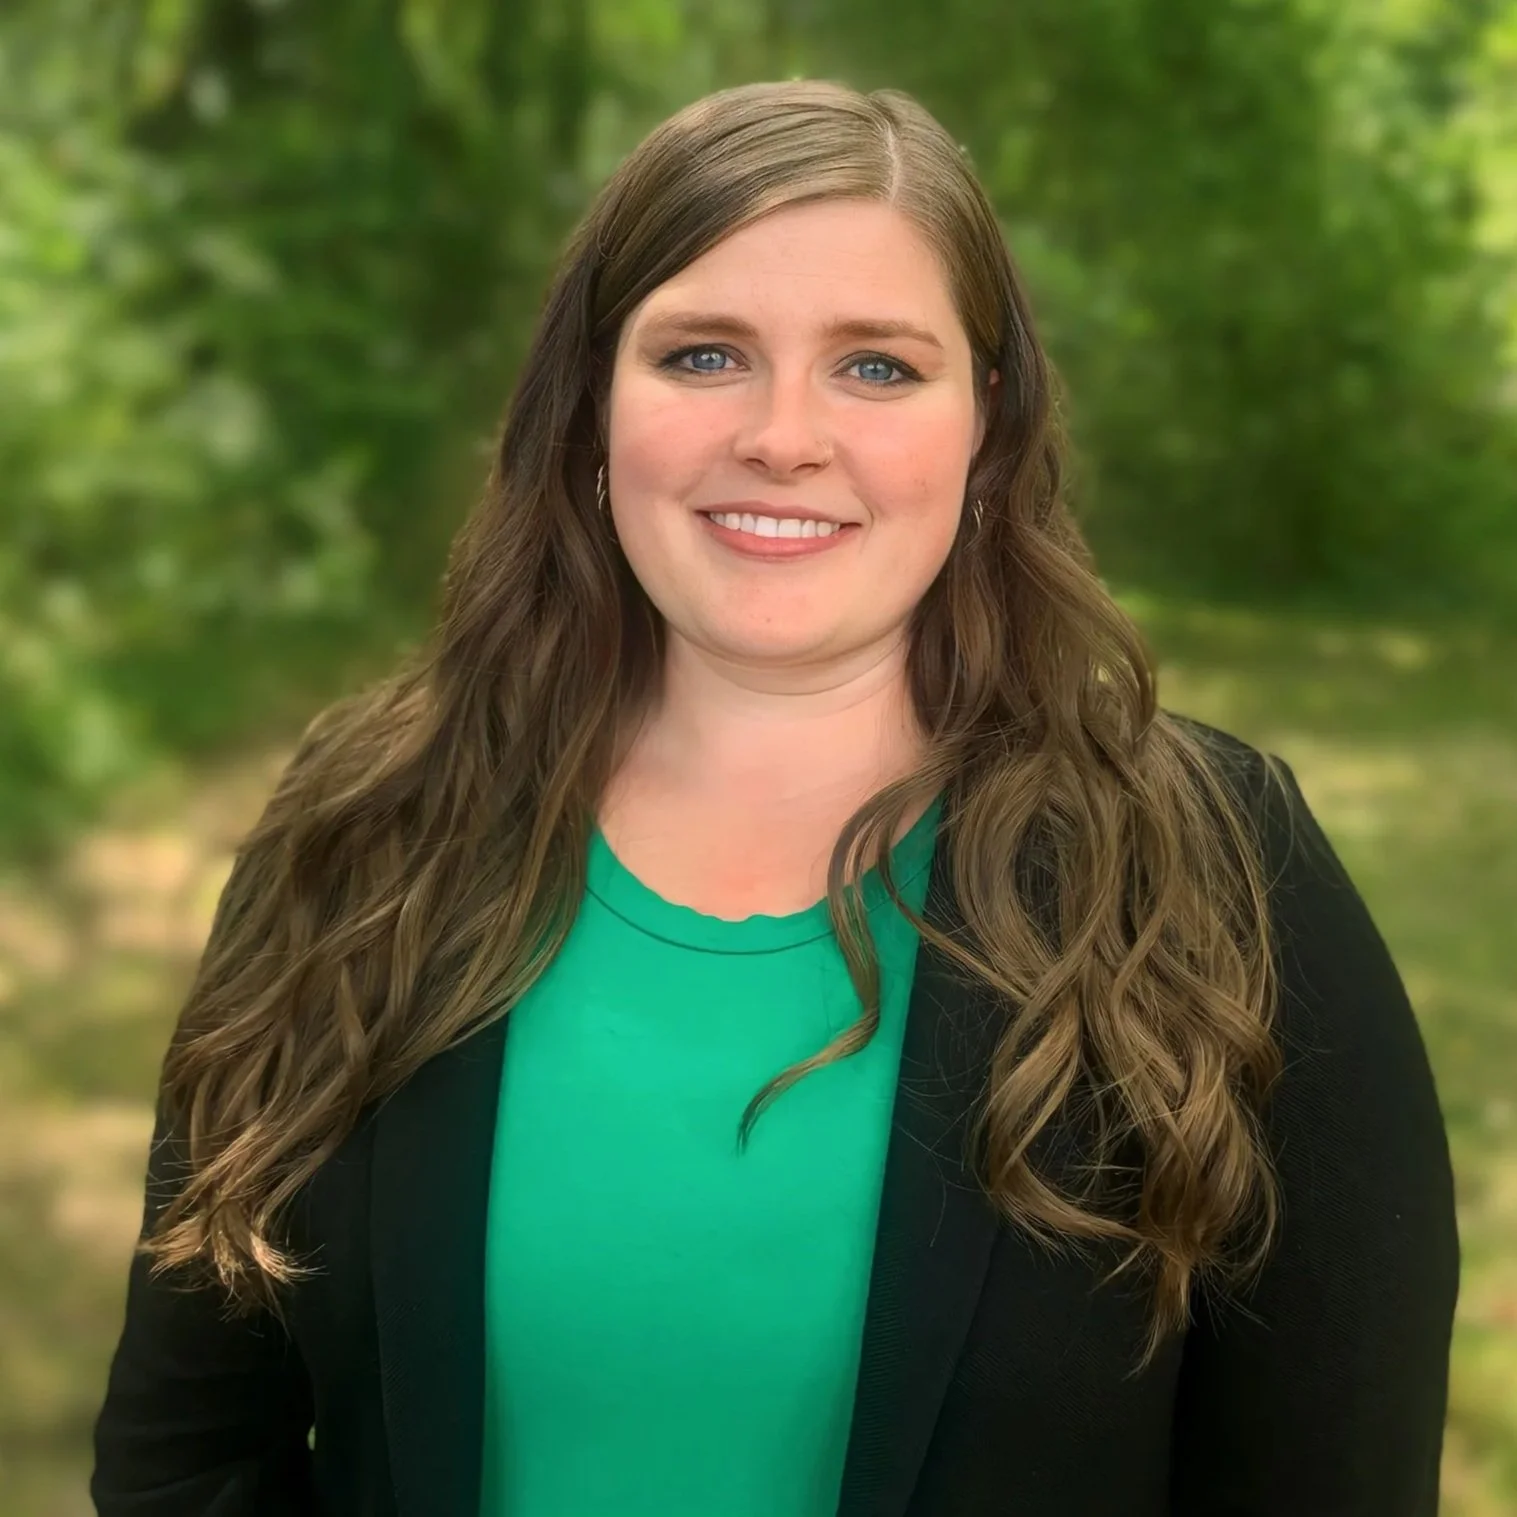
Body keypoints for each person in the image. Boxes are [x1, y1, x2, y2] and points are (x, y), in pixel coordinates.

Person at [90, 79, 1459, 1517]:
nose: (784, 435)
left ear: (985, 429)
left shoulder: (1217, 873)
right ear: (591, 408)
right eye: (702, 355)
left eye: (876, 367)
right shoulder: (368, 832)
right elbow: (190, 1452)